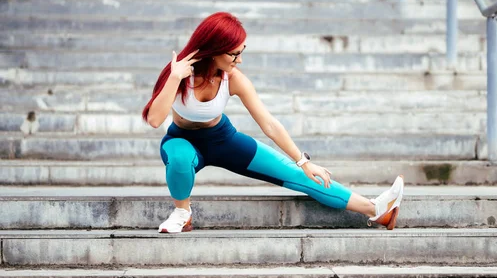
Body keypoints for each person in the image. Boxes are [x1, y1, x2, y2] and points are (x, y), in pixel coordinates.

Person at [142, 12, 404, 233]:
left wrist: (304, 162)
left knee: (297, 174)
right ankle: (182, 213)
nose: (239, 60)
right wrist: (175, 78)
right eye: (234, 54)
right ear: (214, 51)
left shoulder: (233, 78)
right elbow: (155, 120)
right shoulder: (178, 74)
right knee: (179, 158)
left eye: (241, 52)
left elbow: (268, 123)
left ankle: (377, 210)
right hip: (182, 139)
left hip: (223, 139)